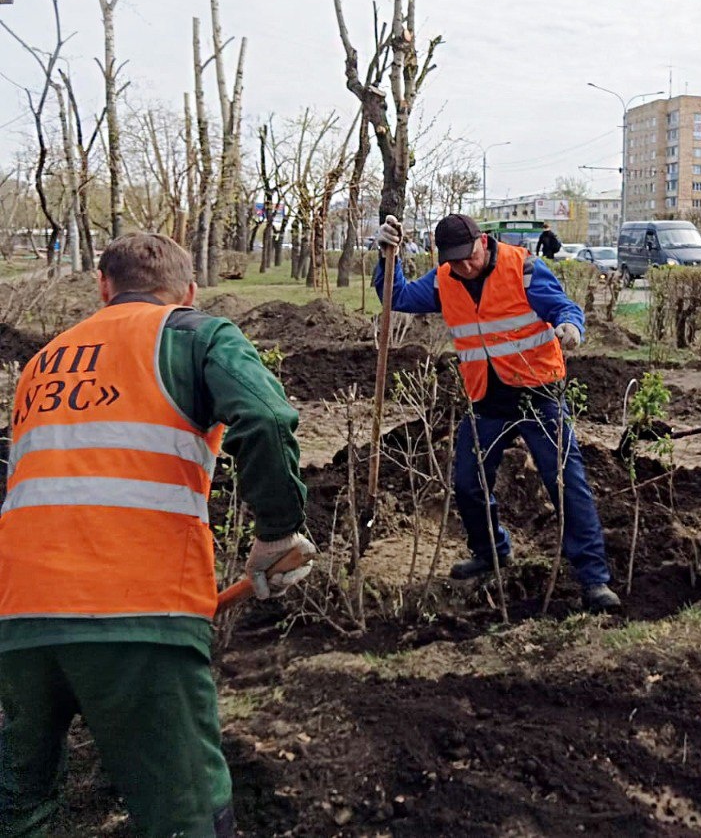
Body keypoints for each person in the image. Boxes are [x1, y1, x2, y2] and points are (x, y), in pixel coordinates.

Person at [0, 233, 313, 838]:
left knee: (20, 807)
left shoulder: (42, 362)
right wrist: (276, 532)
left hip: (19, 617)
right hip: (137, 612)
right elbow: (268, 417)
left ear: (103, 287)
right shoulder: (193, 334)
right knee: (185, 814)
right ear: (190, 290)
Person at [374, 213, 621, 612]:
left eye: (469, 256)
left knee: (565, 484)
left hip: (538, 396)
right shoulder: (444, 279)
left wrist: (572, 327)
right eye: (454, 260)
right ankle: (491, 552)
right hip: (487, 399)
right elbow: (396, 296)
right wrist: (388, 256)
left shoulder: (523, 269)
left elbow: (564, 308)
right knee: (468, 483)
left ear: (483, 242)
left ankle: (594, 579)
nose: (465, 267)